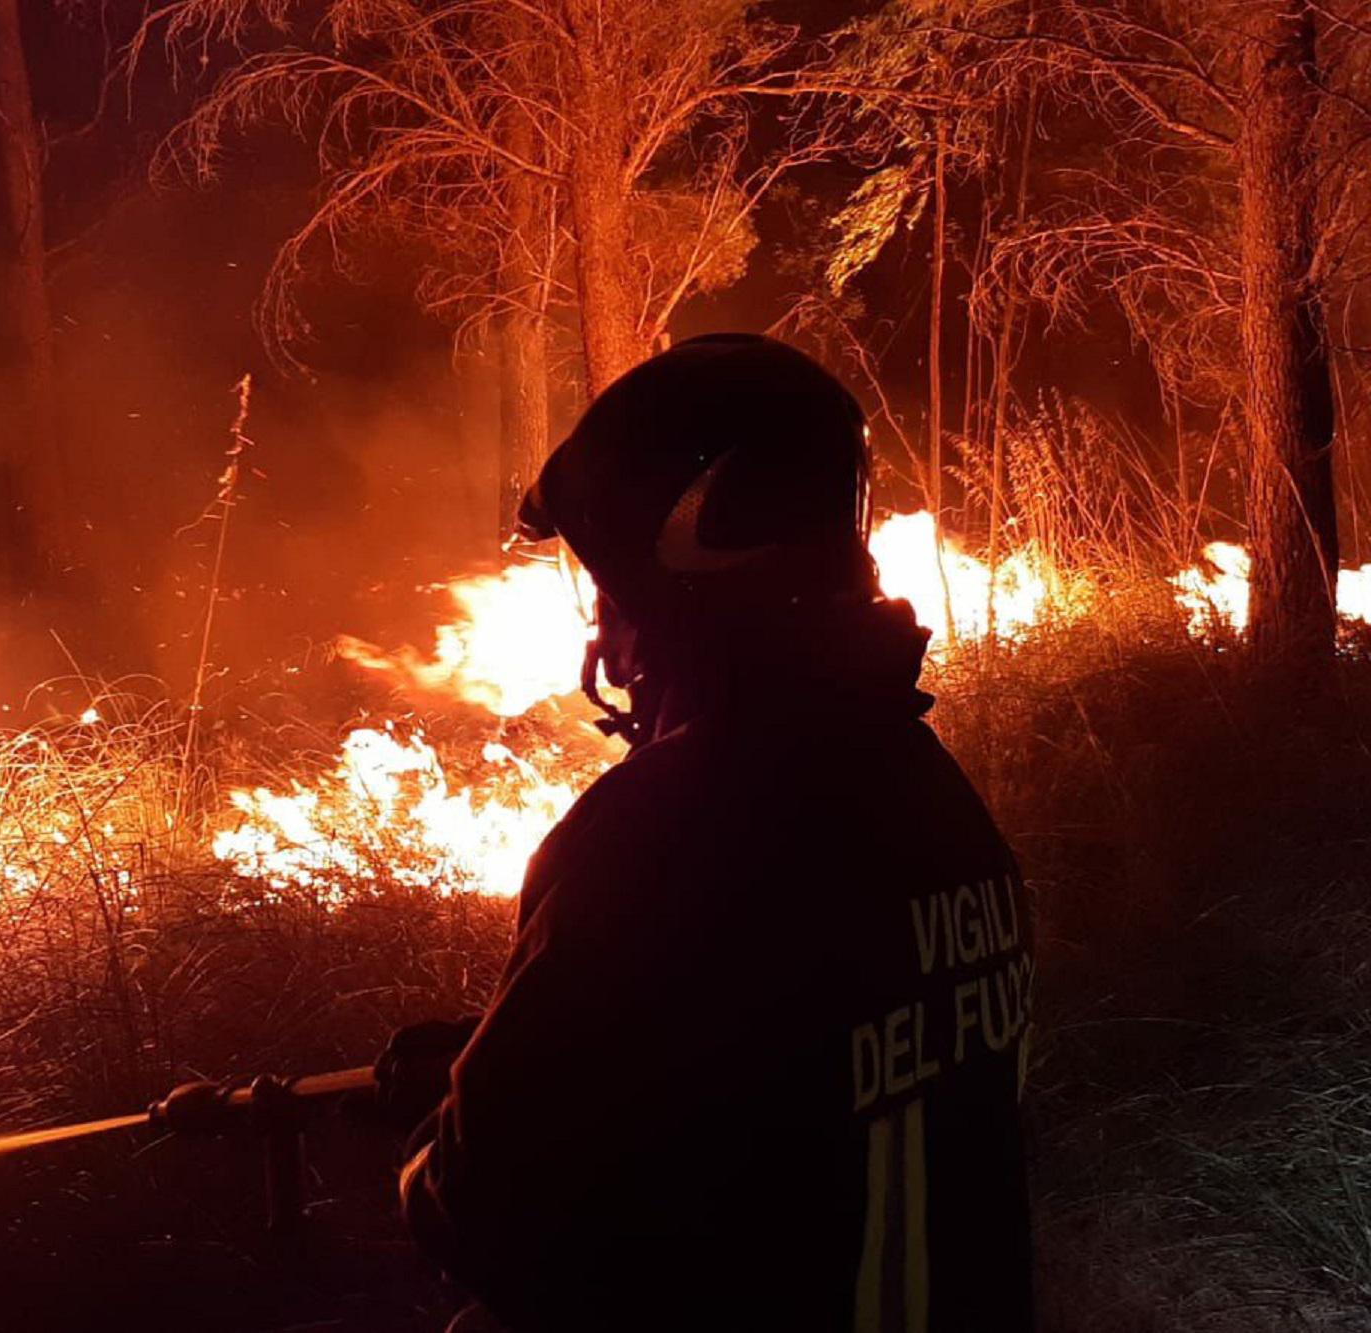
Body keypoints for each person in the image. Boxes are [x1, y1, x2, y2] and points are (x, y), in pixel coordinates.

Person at [376, 334, 1036, 1331]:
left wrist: (452, 1123)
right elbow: (787, 1058)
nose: (609, 633)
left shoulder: (658, 827)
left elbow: (481, 1215)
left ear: (673, 582)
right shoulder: (933, 798)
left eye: (610, 592)